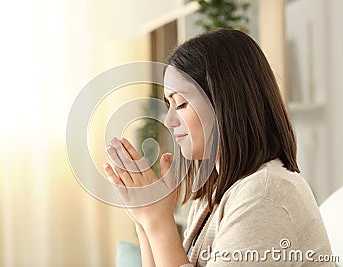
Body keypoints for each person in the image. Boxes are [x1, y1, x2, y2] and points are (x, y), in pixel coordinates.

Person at [103, 29, 333, 266]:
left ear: (224, 102)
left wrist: (159, 223)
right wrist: (145, 221)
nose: (169, 120)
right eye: (168, 104)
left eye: (180, 103)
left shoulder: (264, 194)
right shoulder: (213, 194)